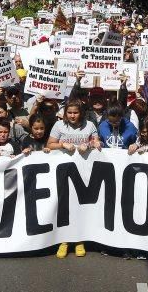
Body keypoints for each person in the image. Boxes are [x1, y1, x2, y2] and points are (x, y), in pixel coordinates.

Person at [46, 100, 99, 259]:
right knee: (65, 204)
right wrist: (62, 144)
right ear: (65, 113)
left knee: (81, 204)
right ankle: (64, 240)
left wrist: (89, 144)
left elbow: (98, 143)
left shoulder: (90, 125)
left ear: (81, 113)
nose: (72, 115)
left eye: (75, 112)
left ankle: (79, 240)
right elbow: (50, 144)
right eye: (69, 113)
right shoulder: (59, 126)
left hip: (85, 172)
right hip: (64, 171)